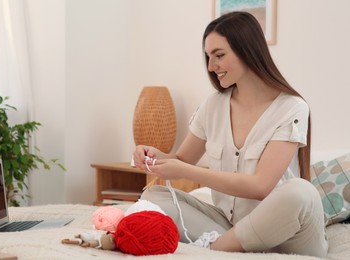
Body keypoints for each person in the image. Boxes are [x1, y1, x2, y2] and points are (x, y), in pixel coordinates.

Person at [132, 11, 328, 257]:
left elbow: (260, 187)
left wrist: (184, 171)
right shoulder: (213, 106)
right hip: (231, 227)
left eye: (219, 56)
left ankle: (214, 248)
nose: (212, 67)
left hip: (289, 235)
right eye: (208, 57)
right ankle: (231, 245)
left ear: (247, 50)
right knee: (154, 196)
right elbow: (182, 161)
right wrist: (152, 155)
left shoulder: (291, 107)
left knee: (301, 192)